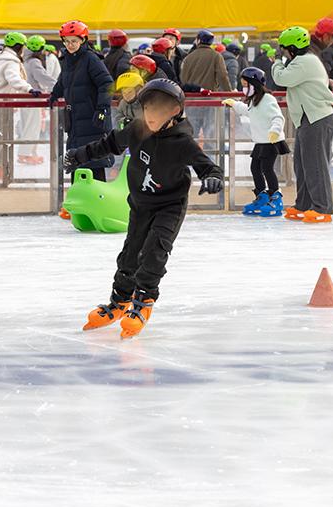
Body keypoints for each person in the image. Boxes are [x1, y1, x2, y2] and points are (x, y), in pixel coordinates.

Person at [65, 79, 222, 339]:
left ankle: (144, 300)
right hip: (140, 204)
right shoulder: (136, 130)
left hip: (170, 205)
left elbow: (207, 166)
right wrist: (79, 155)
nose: (151, 117)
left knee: (154, 251)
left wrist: (212, 178)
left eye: (159, 112)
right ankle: (120, 301)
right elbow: (107, 144)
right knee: (130, 253)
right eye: (148, 110)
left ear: (174, 113)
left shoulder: (182, 141)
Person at [272, 26, 333, 223]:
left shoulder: (304, 62)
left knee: (316, 164)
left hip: (317, 117)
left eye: (283, 49)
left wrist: (276, 62)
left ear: (292, 48)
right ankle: (304, 204)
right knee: (302, 164)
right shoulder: (303, 60)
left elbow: (280, 78)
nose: (282, 53)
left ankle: (322, 208)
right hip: (308, 117)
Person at [52, 20, 114, 182]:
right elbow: (63, 81)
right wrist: (54, 94)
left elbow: (107, 83)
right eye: (67, 41)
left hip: (92, 119)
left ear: (83, 40)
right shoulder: (67, 59)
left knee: (94, 160)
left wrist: (102, 109)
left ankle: (98, 203)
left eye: (74, 41)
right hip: (75, 120)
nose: (70, 45)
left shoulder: (90, 59)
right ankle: (78, 202)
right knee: (76, 161)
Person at [223, 67, 287, 217]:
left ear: (254, 84)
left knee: (267, 169)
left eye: (246, 85)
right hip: (260, 141)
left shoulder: (268, 99)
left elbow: (278, 117)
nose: (244, 88)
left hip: (271, 141)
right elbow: (247, 111)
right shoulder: (255, 100)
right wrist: (234, 104)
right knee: (255, 168)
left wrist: (275, 131)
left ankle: (275, 197)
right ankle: (262, 196)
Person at [0, 31, 37, 182]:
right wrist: (29, 89)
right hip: (0, 104)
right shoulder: (10, 61)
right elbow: (13, 79)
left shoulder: (1, 58)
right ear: (19, 47)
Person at [20, 35, 58, 165]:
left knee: (28, 126)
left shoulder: (25, 60)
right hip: (33, 99)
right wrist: (59, 87)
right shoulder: (34, 62)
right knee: (32, 127)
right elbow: (43, 77)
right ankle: (25, 154)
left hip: (26, 99)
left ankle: (29, 153)